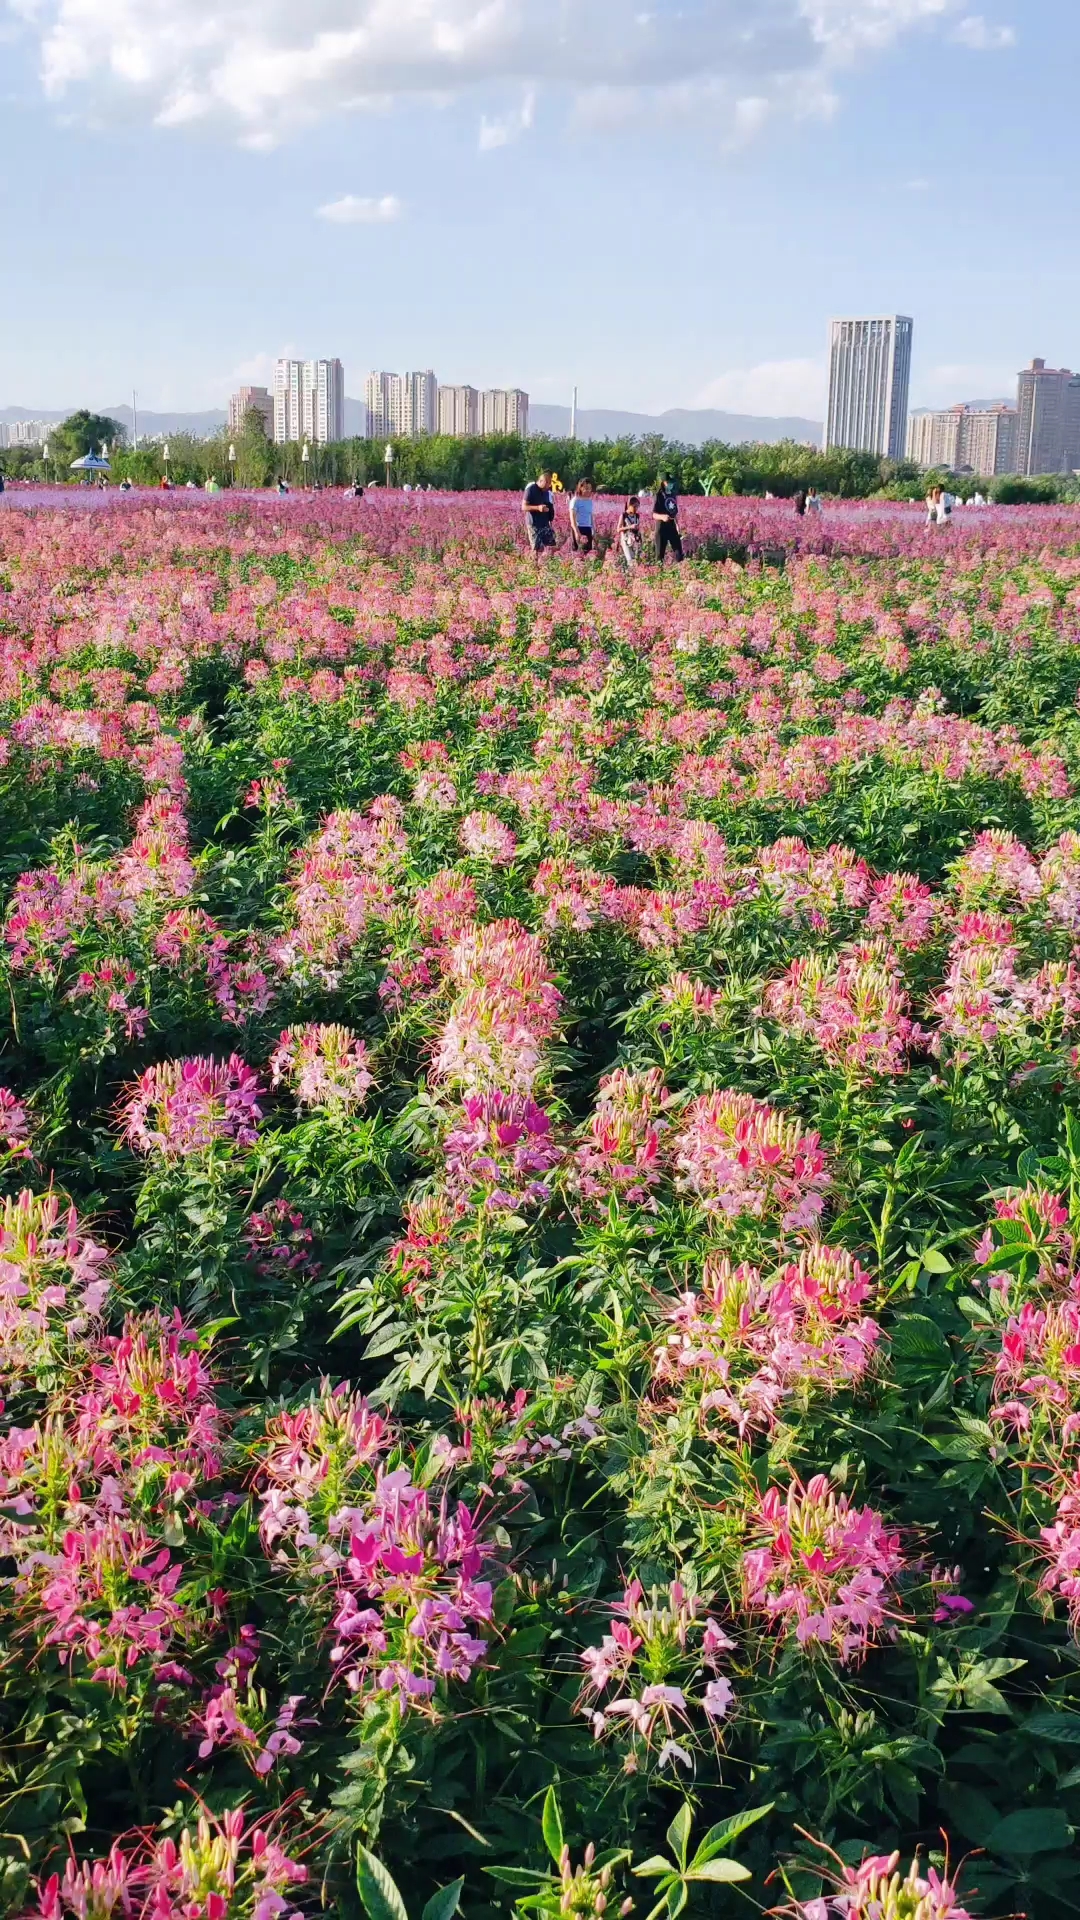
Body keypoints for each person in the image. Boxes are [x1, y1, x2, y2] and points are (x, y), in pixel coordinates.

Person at [523, 470, 556, 552]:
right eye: (547, 482)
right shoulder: (531, 489)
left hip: (545, 524)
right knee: (537, 549)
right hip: (534, 524)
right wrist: (538, 508)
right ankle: (534, 564)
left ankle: (545, 564)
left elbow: (549, 506)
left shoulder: (546, 492)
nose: (549, 485)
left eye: (550, 483)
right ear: (540, 481)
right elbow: (524, 507)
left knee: (550, 547)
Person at [653, 475, 683, 564]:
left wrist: (677, 525)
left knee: (678, 552)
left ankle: (681, 569)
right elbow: (654, 514)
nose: (670, 484)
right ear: (663, 483)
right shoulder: (659, 495)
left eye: (671, 482)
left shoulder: (673, 495)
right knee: (660, 555)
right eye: (668, 482)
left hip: (672, 525)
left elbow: (674, 512)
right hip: (661, 527)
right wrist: (662, 517)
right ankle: (658, 572)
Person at [569, 479, 595, 553]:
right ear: (580, 487)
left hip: (588, 528)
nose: (588, 490)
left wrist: (594, 530)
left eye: (590, 488)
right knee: (578, 553)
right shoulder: (575, 500)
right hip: (578, 528)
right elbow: (572, 519)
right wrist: (577, 533)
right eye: (586, 488)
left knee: (588, 553)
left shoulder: (590, 501)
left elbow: (591, 516)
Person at [617, 495, 643, 570]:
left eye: (638, 506)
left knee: (636, 559)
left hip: (635, 540)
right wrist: (630, 527)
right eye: (635, 506)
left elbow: (638, 527)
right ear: (629, 505)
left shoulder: (637, 516)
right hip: (626, 540)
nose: (636, 508)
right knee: (630, 560)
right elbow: (618, 529)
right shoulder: (623, 515)